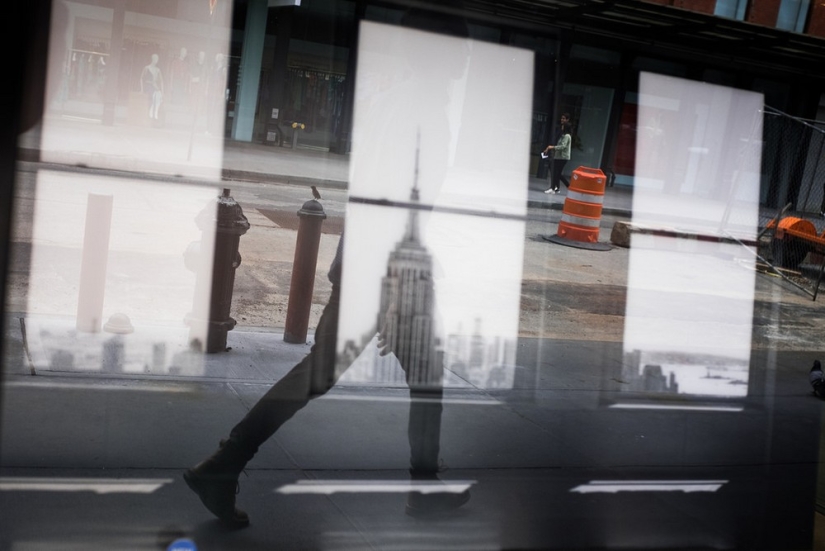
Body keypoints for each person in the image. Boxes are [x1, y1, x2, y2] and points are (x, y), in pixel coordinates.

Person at [183, 6, 472, 528]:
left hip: (374, 264)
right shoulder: (425, 111)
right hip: (390, 269)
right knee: (387, 377)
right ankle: (225, 463)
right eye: (460, 47)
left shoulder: (393, 102)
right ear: (441, 54)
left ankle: (226, 462)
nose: (466, 56)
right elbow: (397, 203)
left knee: (360, 374)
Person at [543, 117, 572, 194]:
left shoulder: (566, 136)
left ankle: (556, 188)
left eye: (563, 126)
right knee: (556, 172)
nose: (561, 127)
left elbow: (563, 146)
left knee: (556, 172)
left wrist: (552, 147)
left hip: (563, 157)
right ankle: (558, 187)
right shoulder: (563, 136)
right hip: (559, 156)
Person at [140, 54, 164, 121]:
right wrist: (141, 89)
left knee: (157, 100)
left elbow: (161, 81)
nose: (156, 60)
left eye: (157, 59)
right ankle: (147, 116)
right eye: (155, 59)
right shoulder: (147, 68)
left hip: (155, 88)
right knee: (149, 101)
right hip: (148, 87)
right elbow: (141, 78)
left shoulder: (158, 70)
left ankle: (154, 116)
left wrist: (162, 91)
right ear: (152, 59)